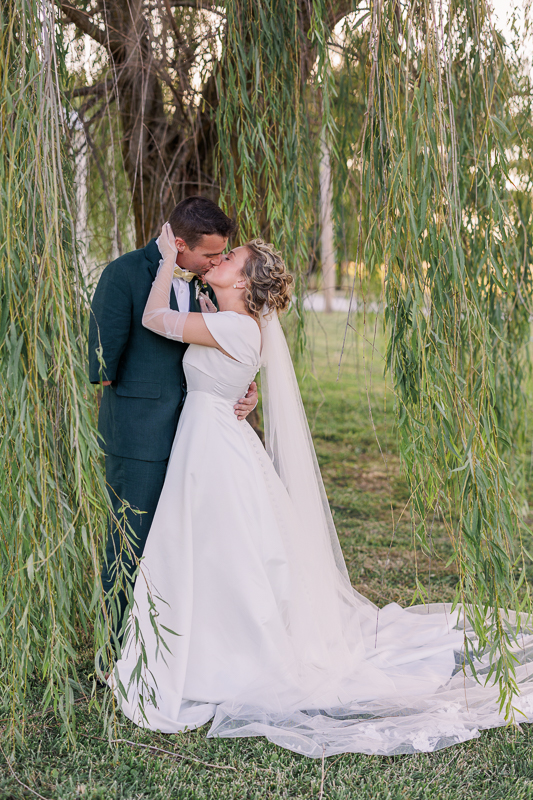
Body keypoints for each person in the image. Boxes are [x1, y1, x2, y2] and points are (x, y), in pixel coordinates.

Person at [110, 223, 533, 758]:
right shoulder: (225, 319)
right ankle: (194, 645)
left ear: (244, 283)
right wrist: (248, 391)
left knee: (221, 554)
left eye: (230, 257)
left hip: (212, 449)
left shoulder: (237, 327)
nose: (218, 259)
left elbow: (153, 320)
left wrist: (167, 257)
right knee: (213, 552)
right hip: (210, 441)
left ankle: (223, 655)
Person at [88, 198, 258, 646]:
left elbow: (224, 351)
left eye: (225, 255)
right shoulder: (122, 275)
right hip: (141, 437)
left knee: (183, 548)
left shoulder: (211, 292)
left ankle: (169, 647)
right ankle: (114, 650)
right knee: (130, 545)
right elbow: (101, 367)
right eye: (211, 255)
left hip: (197, 442)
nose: (218, 261)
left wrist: (242, 388)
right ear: (179, 245)